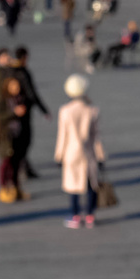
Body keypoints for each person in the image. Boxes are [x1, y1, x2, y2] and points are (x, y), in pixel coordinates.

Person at [55, 74, 106, 228]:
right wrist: (101, 155)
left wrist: (59, 155)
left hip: (71, 152)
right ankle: (90, 215)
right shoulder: (92, 110)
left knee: (73, 185)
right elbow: (96, 136)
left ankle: (75, 216)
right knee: (91, 184)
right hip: (88, 152)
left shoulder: (65, 110)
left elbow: (62, 135)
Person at [12, 46, 50, 178]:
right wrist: (43, 110)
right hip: (23, 110)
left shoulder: (9, 71)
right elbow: (31, 93)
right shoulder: (22, 72)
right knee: (25, 139)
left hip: (11, 109)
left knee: (18, 139)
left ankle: (23, 165)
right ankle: (22, 166)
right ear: (24, 57)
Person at [0, 76, 30, 203]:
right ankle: (4, 188)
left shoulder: (20, 98)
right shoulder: (2, 100)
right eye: (13, 86)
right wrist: (14, 112)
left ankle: (16, 188)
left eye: (17, 86)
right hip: (6, 136)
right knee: (6, 162)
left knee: (16, 163)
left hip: (18, 134)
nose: (16, 89)